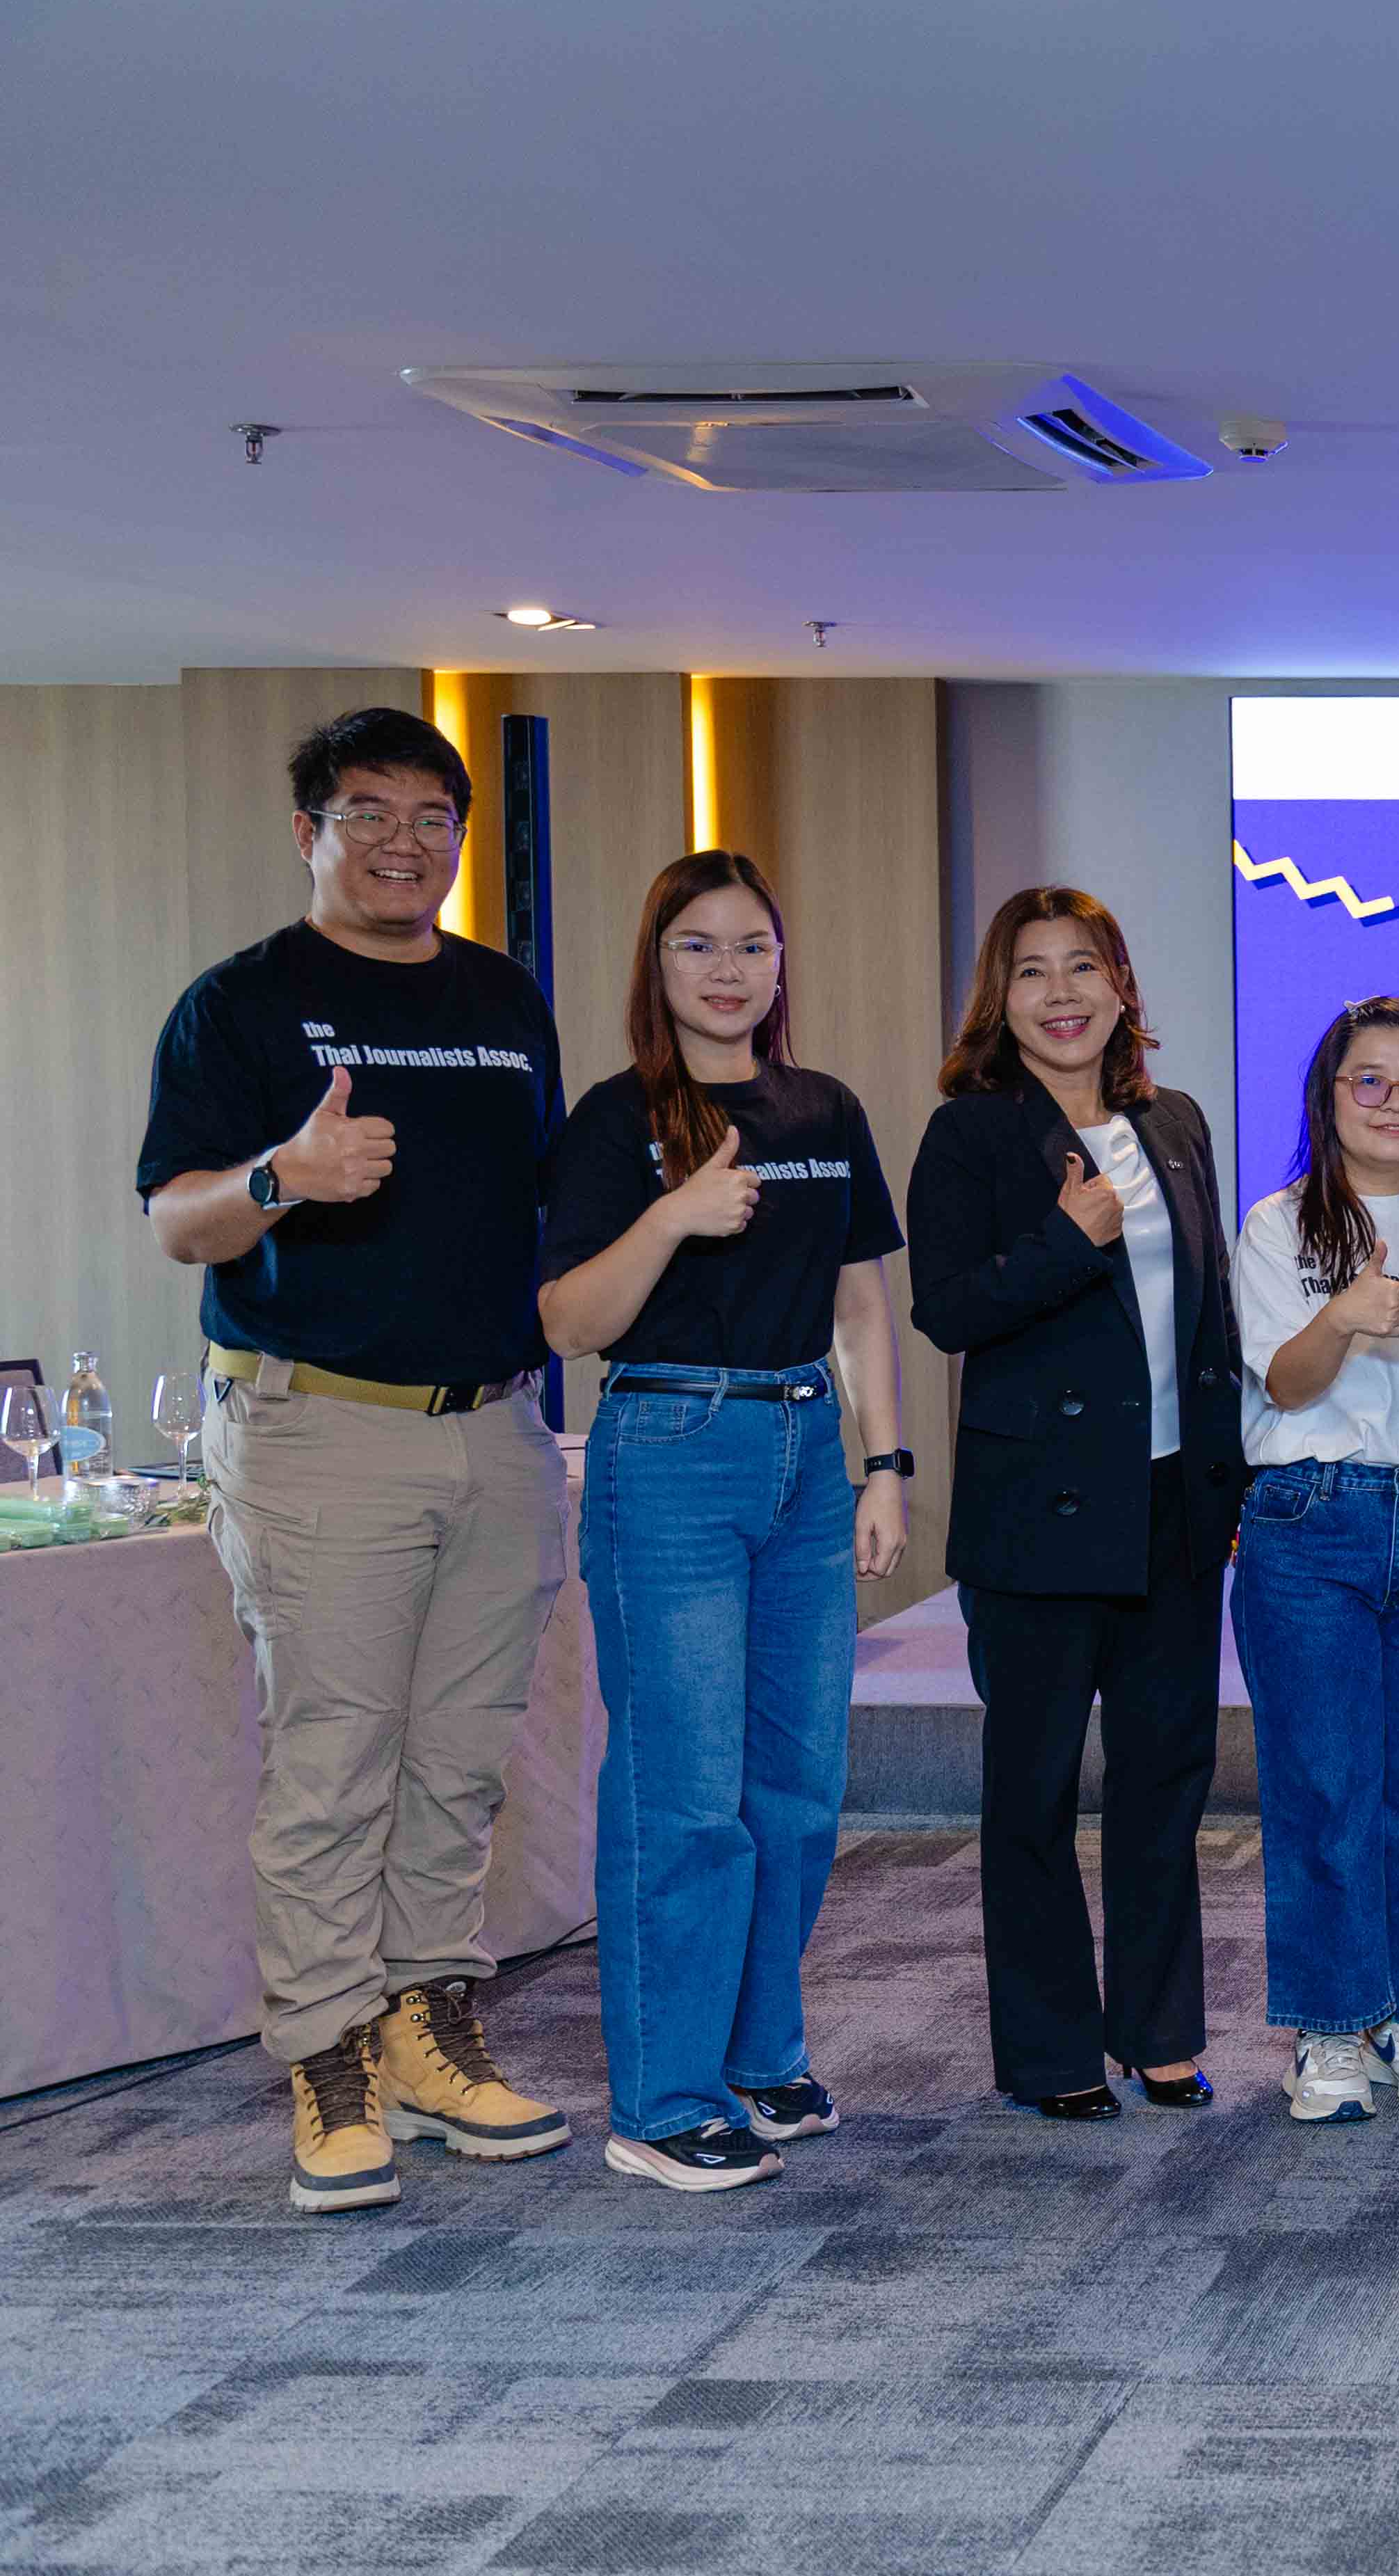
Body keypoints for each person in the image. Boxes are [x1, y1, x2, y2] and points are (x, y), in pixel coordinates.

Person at [137, 706, 575, 2215]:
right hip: (320, 1425)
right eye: (368, 813)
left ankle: (427, 2027)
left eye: (432, 816)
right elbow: (176, 1217)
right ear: (309, 831)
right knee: (334, 1762)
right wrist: (284, 1174)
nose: (405, 841)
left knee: (461, 1760)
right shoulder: (240, 1004)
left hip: (498, 1428)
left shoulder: (505, 997)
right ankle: (327, 2053)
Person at [536, 852, 909, 2195]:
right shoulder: (613, 1117)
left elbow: (858, 1300)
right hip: (670, 1446)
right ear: (658, 963)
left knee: (797, 1791)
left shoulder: (825, 1106)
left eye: (752, 943)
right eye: (697, 945)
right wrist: (674, 1217)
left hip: (806, 1448)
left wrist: (886, 1463)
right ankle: (663, 2101)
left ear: (780, 961)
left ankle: (760, 2055)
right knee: (684, 1794)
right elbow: (568, 1321)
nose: (729, 969)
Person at [909, 889, 1244, 2121]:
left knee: (1165, 1783)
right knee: (1035, 1793)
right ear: (999, 1001)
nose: (1061, 994)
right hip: (1036, 1517)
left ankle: (1159, 2031)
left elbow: (1209, 1315)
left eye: (1083, 967)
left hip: (1170, 1507)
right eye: (1032, 972)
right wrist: (1065, 1236)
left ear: (1121, 986)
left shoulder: (1176, 1121)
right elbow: (946, 1309)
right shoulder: (970, 1134)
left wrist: (1228, 1480)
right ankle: (1052, 2051)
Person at [1228, 996, 1399, 2126]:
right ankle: (1330, 2025)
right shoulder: (1277, 1226)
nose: (1395, 1101)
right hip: (1312, 1521)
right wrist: (1343, 1314)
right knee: (1325, 1781)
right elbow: (1284, 1383)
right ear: (1329, 1094)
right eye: (1370, 1080)